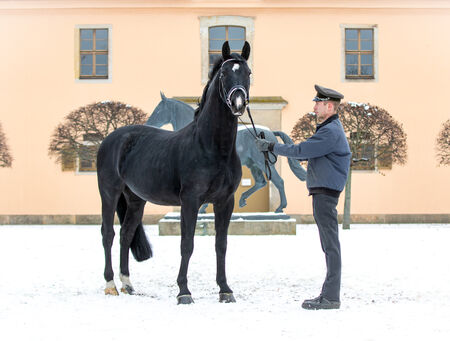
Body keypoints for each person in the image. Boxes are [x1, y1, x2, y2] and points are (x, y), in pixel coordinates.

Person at [255, 84, 351, 310]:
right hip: (323, 191)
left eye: (318, 103)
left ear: (329, 106)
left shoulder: (330, 131)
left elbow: (301, 151)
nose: (315, 107)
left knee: (330, 246)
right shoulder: (328, 129)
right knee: (328, 245)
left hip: (325, 194)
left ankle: (331, 297)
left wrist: (272, 146)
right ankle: (328, 294)